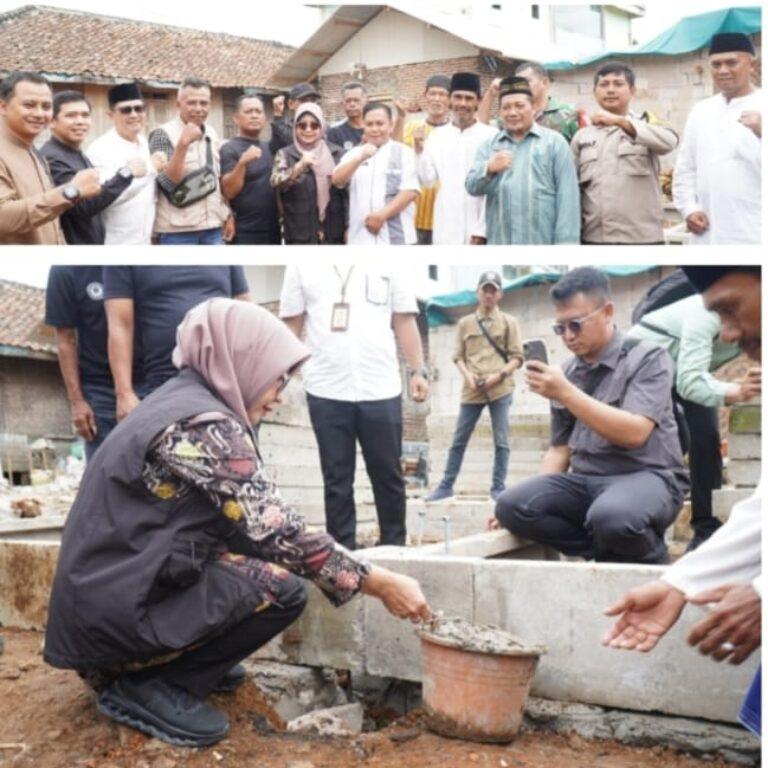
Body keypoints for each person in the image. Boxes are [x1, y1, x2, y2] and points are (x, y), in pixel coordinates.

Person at [43, 298, 431, 747]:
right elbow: (279, 531)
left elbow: (249, 521)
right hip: (109, 627)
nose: (279, 394)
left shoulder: (177, 403)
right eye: (277, 377)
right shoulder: (203, 424)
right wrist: (380, 583)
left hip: (104, 606)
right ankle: (154, 686)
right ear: (244, 360)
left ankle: (177, 661)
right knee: (283, 589)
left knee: (252, 555)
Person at [604, 266, 761, 739]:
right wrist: (679, 582)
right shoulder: (692, 326)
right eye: (720, 315)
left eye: (733, 308)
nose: (730, 333)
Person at [493, 267, 688, 565]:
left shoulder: (648, 358)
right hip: (587, 481)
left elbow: (635, 433)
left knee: (611, 517)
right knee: (510, 505)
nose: (568, 336)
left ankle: (655, 562)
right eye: (561, 328)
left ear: (607, 312)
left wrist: (565, 392)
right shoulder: (568, 372)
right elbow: (560, 449)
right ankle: (606, 551)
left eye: (576, 325)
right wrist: (530, 501)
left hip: (647, 476)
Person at [279, 266, 429, 550]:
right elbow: (292, 326)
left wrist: (418, 371)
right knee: (337, 478)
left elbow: (403, 320)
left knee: (388, 475)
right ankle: (343, 556)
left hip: (381, 386)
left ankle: (394, 548)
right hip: (325, 387)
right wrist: (278, 375)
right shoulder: (301, 263)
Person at [629, 292, 760, 550]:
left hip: (684, 371)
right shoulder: (707, 313)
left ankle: (706, 530)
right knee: (672, 443)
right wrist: (734, 391)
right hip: (640, 371)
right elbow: (690, 382)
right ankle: (643, 525)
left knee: (707, 438)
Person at [103, 266, 250, 422]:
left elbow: (246, 312)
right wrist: (124, 393)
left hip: (225, 382)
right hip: (165, 383)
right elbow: (120, 325)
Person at [426, 271, 523, 503]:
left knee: (501, 441)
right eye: (485, 289)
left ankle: (498, 488)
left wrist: (498, 376)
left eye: (493, 290)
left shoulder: (510, 322)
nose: (489, 294)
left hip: (500, 389)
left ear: (500, 294)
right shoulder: (465, 323)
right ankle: (445, 486)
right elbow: (458, 356)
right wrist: (468, 376)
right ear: (477, 292)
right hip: (472, 389)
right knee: (459, 439)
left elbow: (518, 358)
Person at [571, 61, 678, 244]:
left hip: (642, 239)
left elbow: (670, 142)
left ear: (633, 90)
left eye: (618, 84)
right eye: (604, 85)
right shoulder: (582, 136)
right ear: (595, 91)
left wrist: (621, 122)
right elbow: (572, 189)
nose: (610, 90)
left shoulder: (646, 125)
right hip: (595, 239)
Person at [466, 77, 579, 245]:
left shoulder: (555, 143)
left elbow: (568, 200)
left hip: (542, 245)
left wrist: (565, 247)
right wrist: (489, 168)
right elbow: (471, 187)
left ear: (533, 108)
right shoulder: (489, 146)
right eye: (506, 107)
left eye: (519, 106)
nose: (512, 113)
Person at [44, 266, 142, 460]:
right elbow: (65, 339)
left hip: (153, 380)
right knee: (104, 474)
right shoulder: (66, 270)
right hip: (101, 391)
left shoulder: (138, 266)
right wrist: (77, 402)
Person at [673, 33, 761, 244]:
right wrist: (689, 209)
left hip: (754, 231)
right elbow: (685, 168)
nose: (723, 71)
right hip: (708, 231)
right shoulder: (701, 111)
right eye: (716, 64)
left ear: (752, 65)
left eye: (732, 63)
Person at [0, 70, 101, 245]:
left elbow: (52, 223)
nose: (39, 114)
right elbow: (4, 218)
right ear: (3, 107)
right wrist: (72, 191)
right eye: (29, 105)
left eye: (46, 107)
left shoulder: (34, 152)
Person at [39, 91, 141, 245]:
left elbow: (94, 193)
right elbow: (83, 208)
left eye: (85, 115)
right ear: (52, 121)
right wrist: (126, 174)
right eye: (71, 115)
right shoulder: (53, 158)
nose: (80, 121)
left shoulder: (74, 151)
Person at [413, 72, 497, 245]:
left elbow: (494, 189)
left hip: (480, 222)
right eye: (458, 97)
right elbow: (428, 181)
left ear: (478, 102)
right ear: (450, 100)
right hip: (446, 223)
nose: (462, 103)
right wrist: (419, 151)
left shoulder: (491, 136)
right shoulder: (437, 136)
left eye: (469, 98)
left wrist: (481, 230)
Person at [149, 78, 230, 245]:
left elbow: (216, 178)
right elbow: (167, 183)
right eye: (191, 103)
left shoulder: (212, 133)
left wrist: (227, 214)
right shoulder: (162, 134)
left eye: (204, 103)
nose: (198, 108)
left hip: (213, 228)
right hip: (177, 232)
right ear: (178, 104)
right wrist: (183, 144)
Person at [87, 82, 165, 245]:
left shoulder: (143, 142)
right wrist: (151, 168)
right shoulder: (100, 149)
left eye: (139, 108)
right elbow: (110, 196)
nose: (134, 114)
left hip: (144, 240)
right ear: (111, 115)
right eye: (126, 110)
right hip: (116, 242)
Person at [331, 102, 419, 245]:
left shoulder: (404, 153)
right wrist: (360, 158)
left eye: (380, 124)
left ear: (390, 125)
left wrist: (382, 216)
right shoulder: (354, 153)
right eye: (369, 124)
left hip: (397, 237)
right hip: (360, 237)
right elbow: (337, 180)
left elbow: (410, 191)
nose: (375, 129)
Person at [270, 103, 346, 244]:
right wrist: (299, 166)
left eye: (314, 125)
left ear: (322, 126)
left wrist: (348, 226)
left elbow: (347, 193)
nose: (308, 130)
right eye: (302, 125)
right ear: (295, 128)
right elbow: (275, 182)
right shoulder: (285, 154)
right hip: (299, 232)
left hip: (334, 230)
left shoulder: (337, 153)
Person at [220, 92, 280, 245]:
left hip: (273, 229)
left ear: (264, 118)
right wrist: (242, 163)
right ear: (235, 118)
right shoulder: (229, 148)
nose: (254, 116)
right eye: (248, 112)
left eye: (258, 112)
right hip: (244, 231)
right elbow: (229, 192)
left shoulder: (269, 147)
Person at [401, 74, 451, 245]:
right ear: (425, 96)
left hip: (445, 217)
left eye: (442, 94)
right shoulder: (410, 128)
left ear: (450, 99)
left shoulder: (455, 133)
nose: (437, 99)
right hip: (413, 215)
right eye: (433, 94)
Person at [479, 61, 581, 141]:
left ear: (545, 83)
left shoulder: (568, 113)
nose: (523, 86)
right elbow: (481, 128)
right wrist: (490, 94)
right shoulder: (513, 116)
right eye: (519, 82)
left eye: (527, 81)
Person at [270, 82, 320, 153]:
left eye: (313, 100)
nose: (309, 104)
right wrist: (278, 115)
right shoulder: (284, 129)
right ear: (290, 104)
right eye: (303, 100)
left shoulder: (322, 127)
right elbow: (277, 146)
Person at [326, 81, 367, 152]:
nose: (352, 104)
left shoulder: (375, 129)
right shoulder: (334, 132)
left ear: (365, 101)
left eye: (356, 100)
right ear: (342, 103)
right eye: (348, 100)